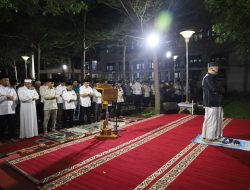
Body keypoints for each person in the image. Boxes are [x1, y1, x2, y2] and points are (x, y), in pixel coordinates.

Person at [202, 62, 224, 143]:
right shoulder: (207, 78)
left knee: (218, 119)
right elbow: (214, 88)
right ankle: (208, 137)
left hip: (218, 102)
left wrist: (220, 89)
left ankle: (216, 136)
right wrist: (220, 89)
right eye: (215, 67)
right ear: (210, 68)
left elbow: (222, 88)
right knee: (211, 120)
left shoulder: (215, 77)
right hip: (210, 102)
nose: (217, 69)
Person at [0, 75, 18, 142]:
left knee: (12, 124)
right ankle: (1, 139)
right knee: (2, 126)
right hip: (2, 110)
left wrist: (12, 97)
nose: (7, 82)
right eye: (5, 80)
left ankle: (11, 137)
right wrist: (5, 97)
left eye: (8, 80)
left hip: (11, 109)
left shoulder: (11, 88)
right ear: (1, 81)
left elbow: (15, 97)